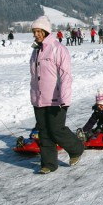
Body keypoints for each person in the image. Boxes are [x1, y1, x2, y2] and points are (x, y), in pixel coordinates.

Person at [29, 15, 84, 174]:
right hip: (39, 99)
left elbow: (66, 75)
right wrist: (33, 96)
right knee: (44, 131)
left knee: (56, 129)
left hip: (56, 98)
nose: (37, 34)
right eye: (35, 32)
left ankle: (76, 148)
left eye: (40, 31)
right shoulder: (36, 51)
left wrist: (65, 98)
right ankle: (49, 164)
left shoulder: (58, 49)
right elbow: (35, 77)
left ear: (46, 32)